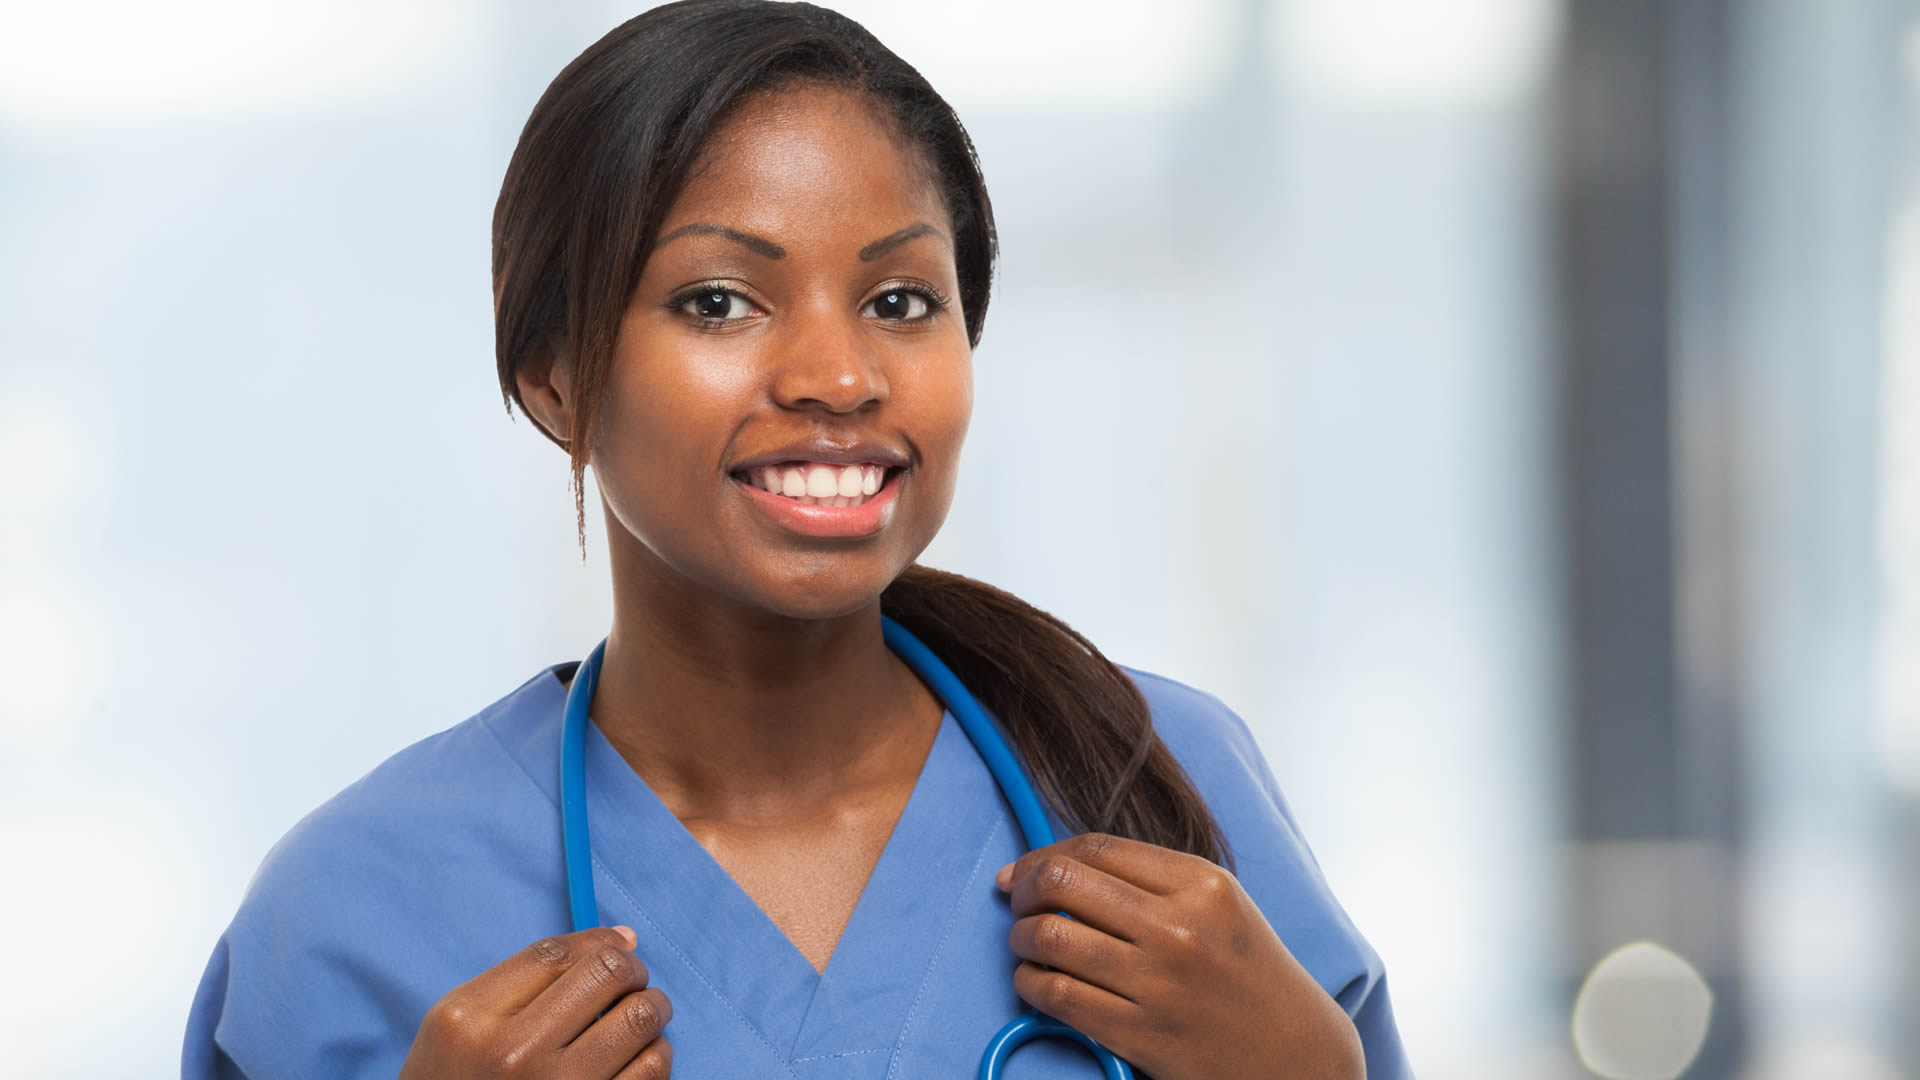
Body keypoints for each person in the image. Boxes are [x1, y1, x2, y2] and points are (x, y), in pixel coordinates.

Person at [182, 2, 1413, 1076]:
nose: (838, 373)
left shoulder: (1163, 781)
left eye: (899, 302)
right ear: (555, 377)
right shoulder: (354, 913)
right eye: (719, 300)